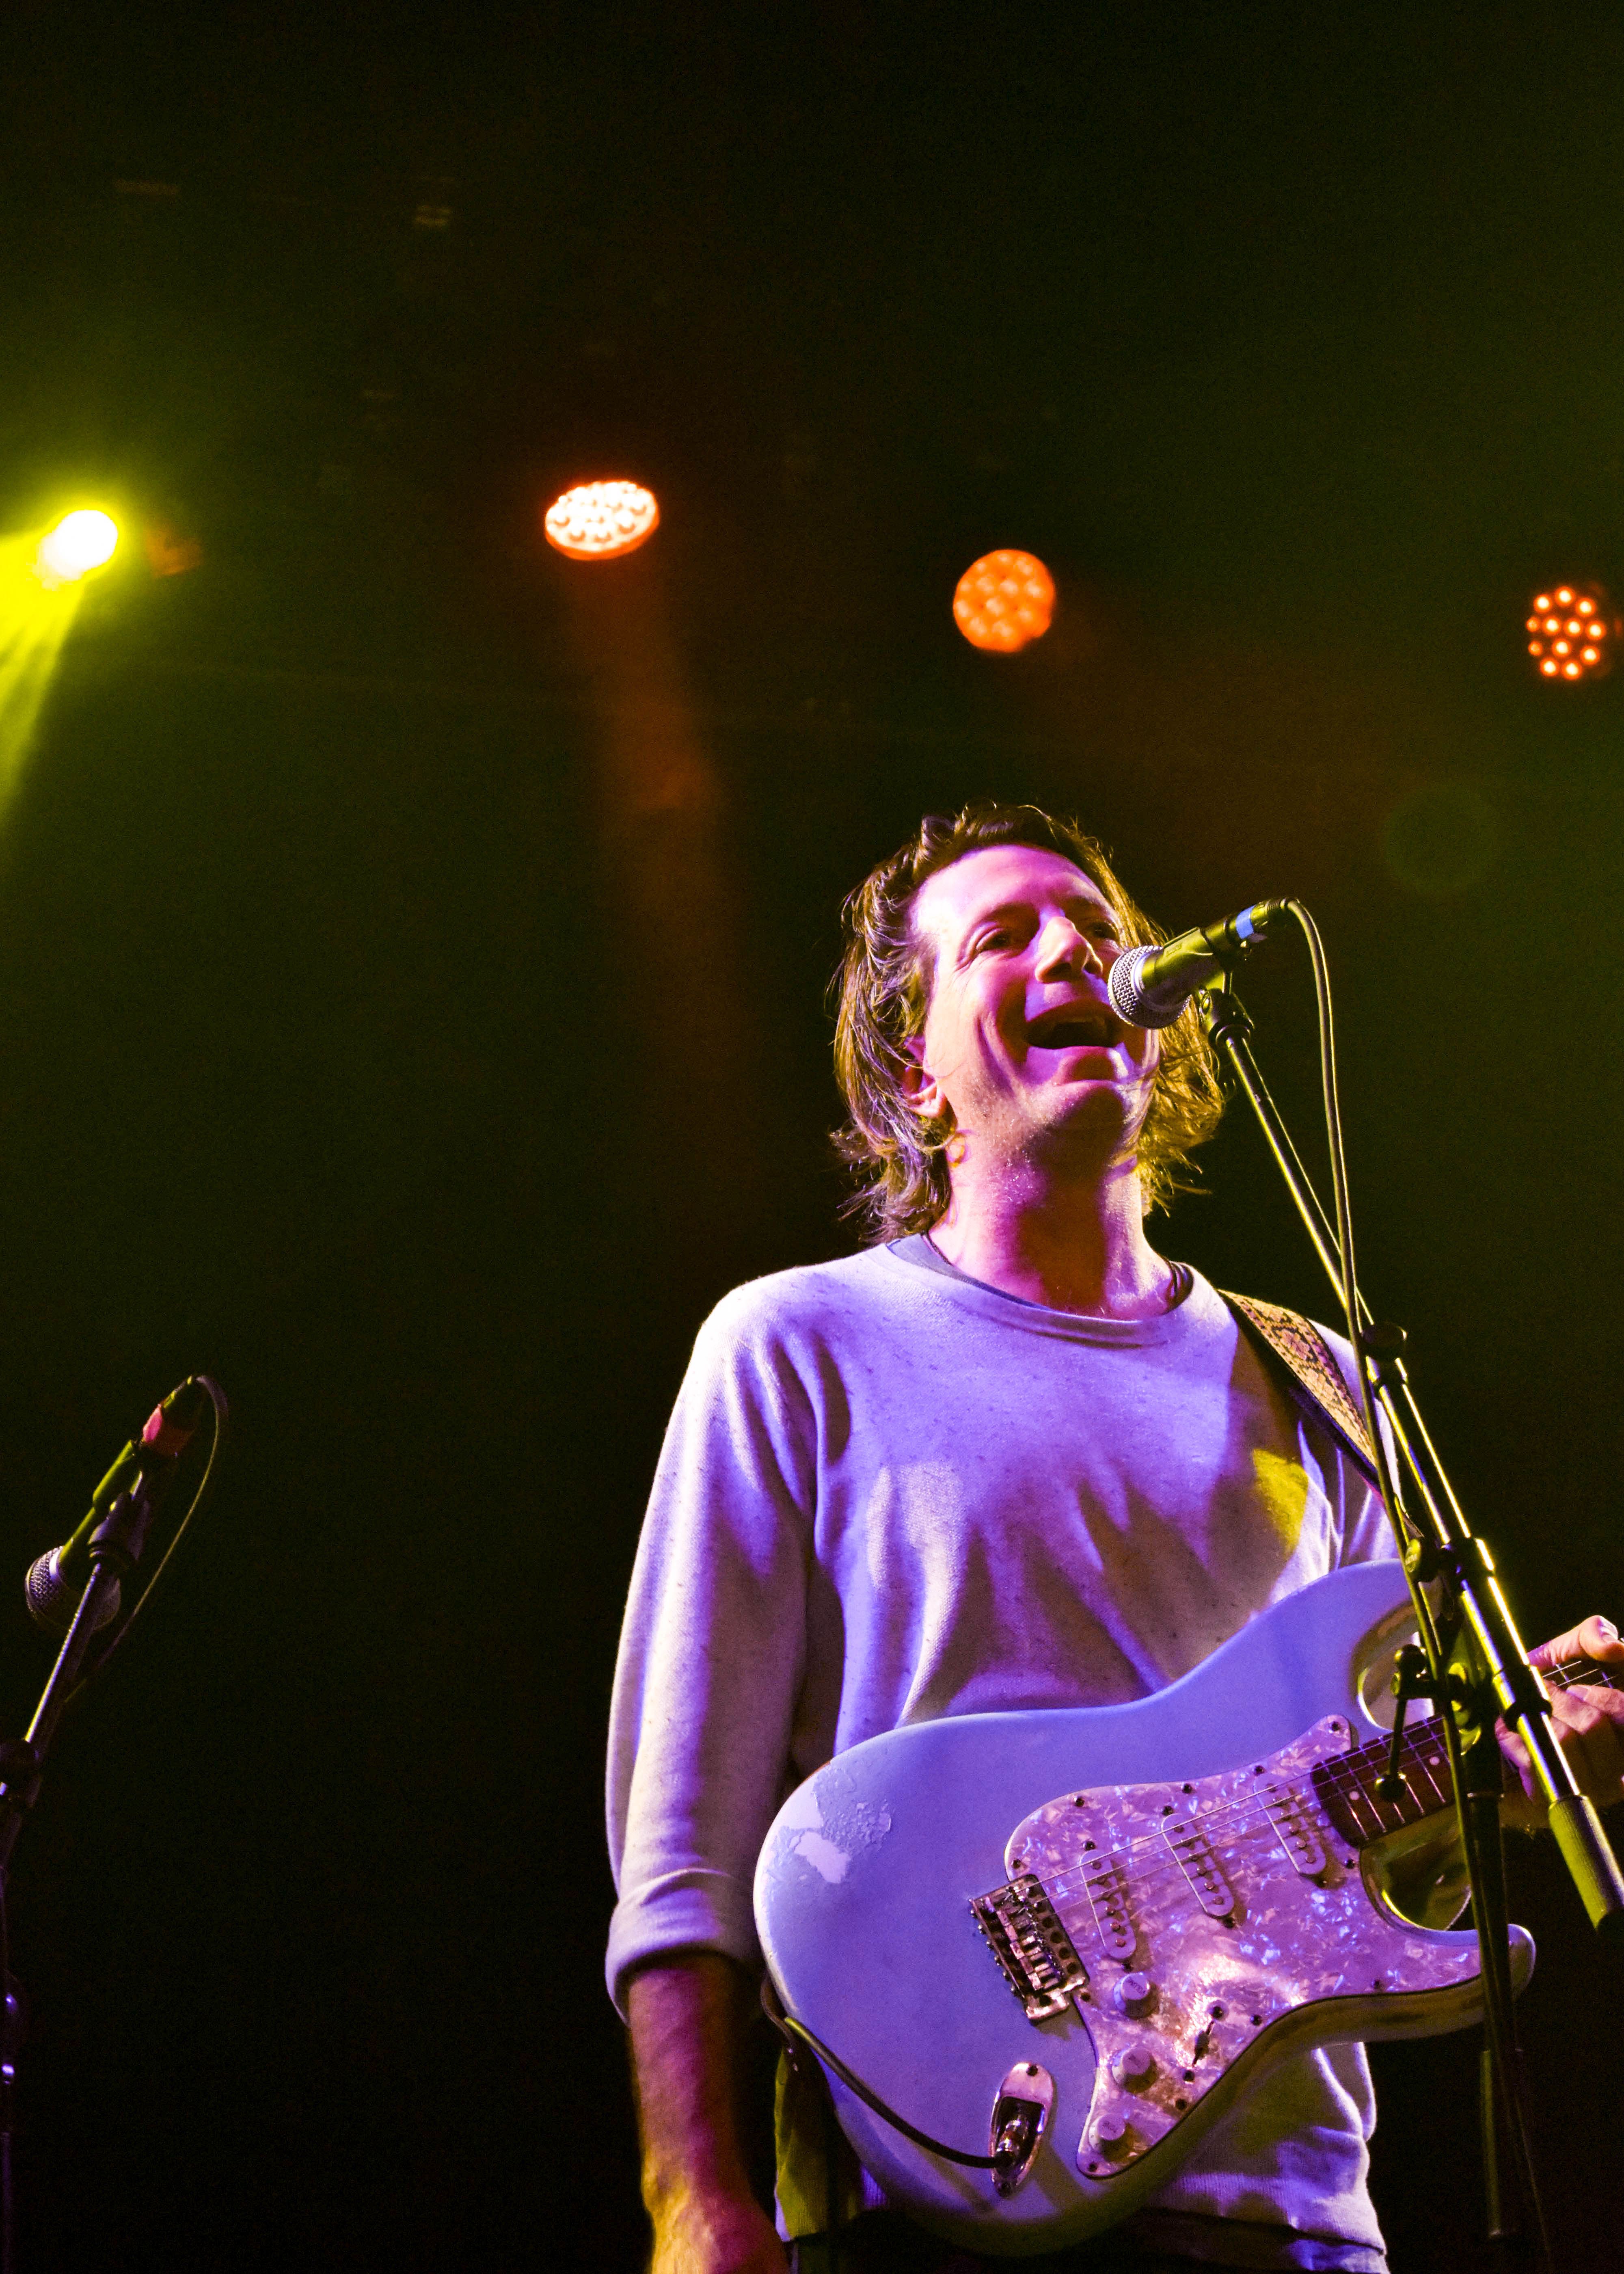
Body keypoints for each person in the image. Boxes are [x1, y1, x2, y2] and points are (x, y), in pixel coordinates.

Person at [605, 801, 1624, 2274]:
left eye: (1092, 923)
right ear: (918, 1071)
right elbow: (681, 1846)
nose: (1071, 947)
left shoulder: (1322, 1383)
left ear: (1165, 1031)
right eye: (1000, 937)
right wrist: (694, 2202)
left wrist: (1498, 1780)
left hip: (1293, 2222)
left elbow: (1352, 1836)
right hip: (943, 2198)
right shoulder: (799, 1345)